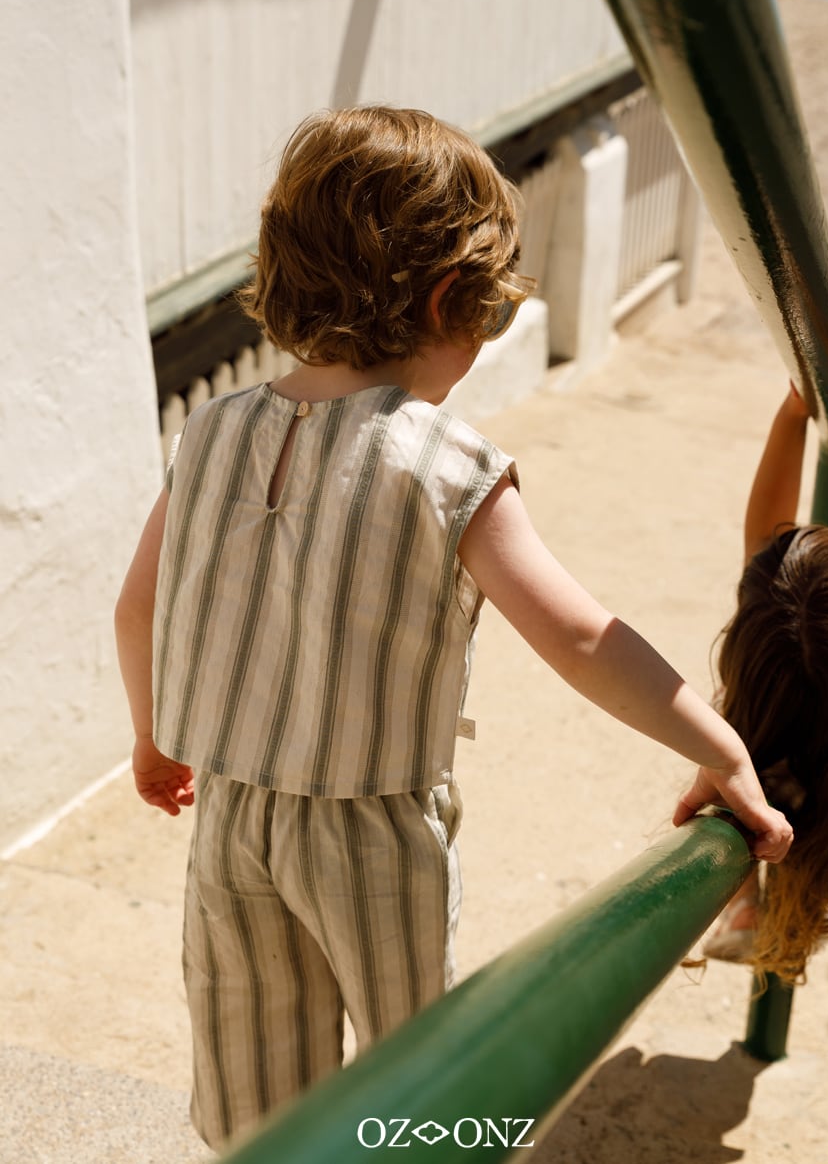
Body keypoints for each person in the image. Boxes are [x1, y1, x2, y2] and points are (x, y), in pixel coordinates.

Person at [114, 105, 792, 1150]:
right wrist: (721, 749)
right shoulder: (442, 462)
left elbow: (139, 604)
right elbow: (579, 638)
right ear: (448, 299)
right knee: (423, 1072)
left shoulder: (210, 431)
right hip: (374, 833)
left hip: (234, 821)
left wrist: (153, 736)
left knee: (256, 1073)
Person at [704, 379, 828, 983]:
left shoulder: (760, 684)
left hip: (764, 741)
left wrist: (800, 403)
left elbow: (764, 533)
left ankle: (744, 902)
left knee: (735, 748)